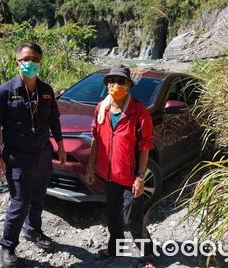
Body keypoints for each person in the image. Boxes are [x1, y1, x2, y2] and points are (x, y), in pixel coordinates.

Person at [0, 42, 66, 268]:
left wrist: (60, 144)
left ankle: (34, 230)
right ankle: (8, 245)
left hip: (43, 153)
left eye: (34, 59)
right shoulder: (4, 92)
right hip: (18, 157)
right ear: (17, 62)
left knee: (39, 196)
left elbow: (54, 120)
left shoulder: (46, 91)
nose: (30, 63)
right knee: (19, 202)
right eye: (25, 59)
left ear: (41, 63)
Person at [85, 64, 155, 267]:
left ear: (129, 86)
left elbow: (145, 146)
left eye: (121, 81)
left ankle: (148, 254)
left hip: (129, 175)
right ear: (107, 85)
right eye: (111, 81)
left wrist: (140, 177)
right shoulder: (101, 108)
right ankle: (114, 248)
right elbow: (96, 140)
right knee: (113, 214)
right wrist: (90, 167)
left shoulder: (139, 111)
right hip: (108, 175)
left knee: (133, 218)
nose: (115, 85)